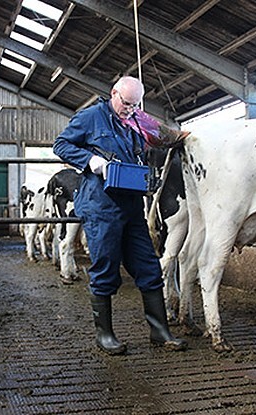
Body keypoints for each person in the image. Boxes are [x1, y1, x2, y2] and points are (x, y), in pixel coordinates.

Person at [52, 76, 187, 355]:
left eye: (135, 104)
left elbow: (163, 137)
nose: (130, 109)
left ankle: (159, 331)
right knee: (105, 267)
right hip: (101, 205)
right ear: (114, 93)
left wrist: (187, 136)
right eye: (126, 103)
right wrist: (92, 162)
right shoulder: (91, 117)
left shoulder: (136, 119)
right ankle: (105, 335)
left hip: (131, 204)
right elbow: (61, 145)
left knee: (148, 266)